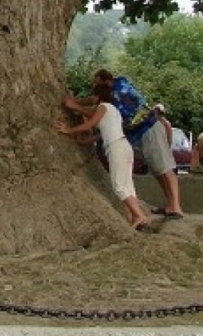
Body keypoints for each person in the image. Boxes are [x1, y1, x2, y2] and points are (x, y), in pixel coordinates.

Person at [72, 69, 183, 220]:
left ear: (106, 81)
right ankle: (170, 205)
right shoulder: (113, 95)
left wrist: (76, 105)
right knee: (157, 169)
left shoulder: (119, 90)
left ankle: (176, 207)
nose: (97, 87)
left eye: (98, 84)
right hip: (136, 133)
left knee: (165, 167)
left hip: (148, 127)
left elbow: (97, 110)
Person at [59, 84, 149, 230]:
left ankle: (139, 215)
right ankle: (136, 216)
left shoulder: (103, 107)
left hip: (116, 148)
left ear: (97, 96)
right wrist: (86, 140)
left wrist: (68, 129)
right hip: (123, 146)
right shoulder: (113, 111)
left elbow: (89, 124)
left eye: (92, 96)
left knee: (119, 185)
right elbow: (102, 132)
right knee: (127, 184)